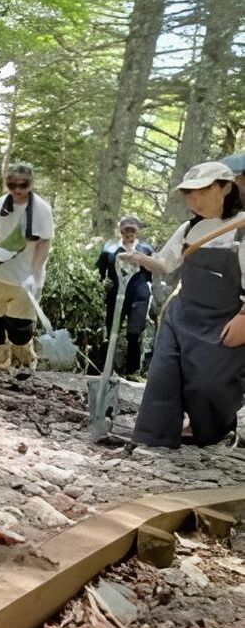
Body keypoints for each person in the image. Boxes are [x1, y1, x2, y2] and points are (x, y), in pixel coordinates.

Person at [120, 161, 245, 448]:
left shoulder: (241, 228)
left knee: (208, 385)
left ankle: (216, 430)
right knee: (163, 377)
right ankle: (155, 438)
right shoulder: (188, 229)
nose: (194, 199)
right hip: (183, 315)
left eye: (202, 190)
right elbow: (165, 263)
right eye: (188, 193)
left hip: (225, 319)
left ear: (225, 187)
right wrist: (137, 258)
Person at [0, 163, 55, 370]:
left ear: (31, 183)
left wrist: (35, 274)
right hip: (1, 274)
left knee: (19, 328)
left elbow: (44, 243)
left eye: (23, 185)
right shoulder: (0, 205)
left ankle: (23, 366)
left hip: (26, 277)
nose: (18, 190)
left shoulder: (41, 209)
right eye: (12, 185)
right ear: (6, 184)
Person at [95, 215, 153, 376]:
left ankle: (132, 371)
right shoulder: (110, 248)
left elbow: (153, 271)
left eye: (132, 230)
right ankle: (105, 369)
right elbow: (100, 270)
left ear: (138, 231)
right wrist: (102, 282)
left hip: (139, 295)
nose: (129, 233)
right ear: (121, 231)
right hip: (116, 294)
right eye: (126, 230)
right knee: (112, 330)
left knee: (134, 333)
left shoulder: (146, 250)